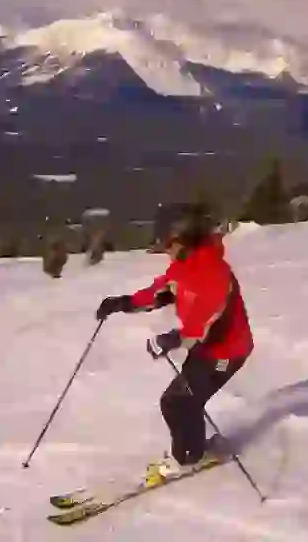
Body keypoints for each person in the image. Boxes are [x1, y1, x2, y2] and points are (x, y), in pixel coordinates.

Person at [94, 204, 253, 484]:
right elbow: (160, 292)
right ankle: (195, 450)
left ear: (183, 239)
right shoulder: (183, 267)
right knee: (182, 401)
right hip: (205, 349)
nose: (165, 251)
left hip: (227, 350)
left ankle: (187, 457)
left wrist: (174, 339)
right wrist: (124, 302)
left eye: (167, 245)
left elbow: (208, 322)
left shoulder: (215, 271)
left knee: (177, 402)